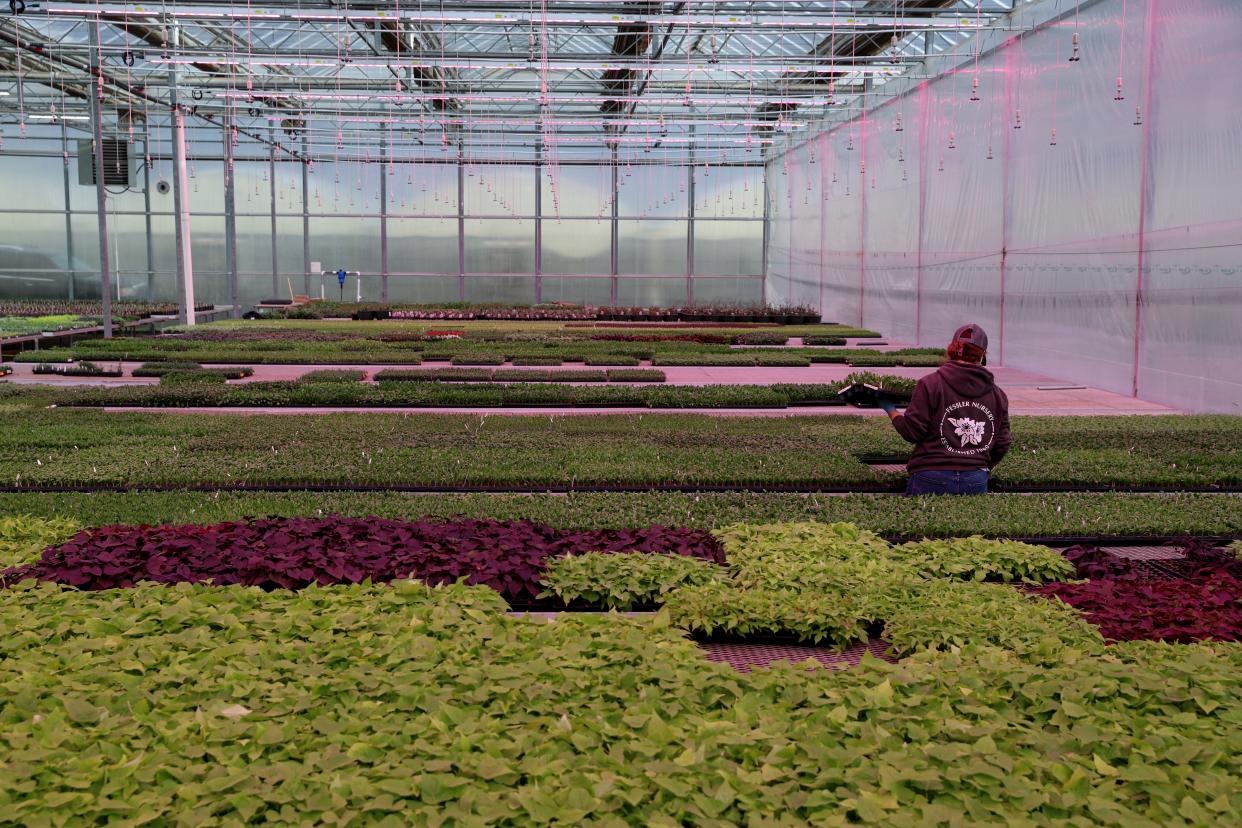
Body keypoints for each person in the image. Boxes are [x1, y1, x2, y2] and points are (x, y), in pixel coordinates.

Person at [877, 324, 1011, 495]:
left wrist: (890, 410)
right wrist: (977, 463)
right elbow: (1003, 442)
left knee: (922, 522)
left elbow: (912, 432)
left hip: (930, 475)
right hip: (975, 479)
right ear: (983, 355)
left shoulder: (930, 384)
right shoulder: (997, 394)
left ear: (952, 349)